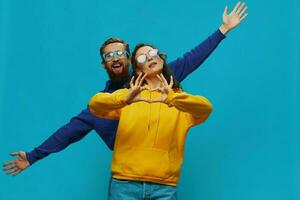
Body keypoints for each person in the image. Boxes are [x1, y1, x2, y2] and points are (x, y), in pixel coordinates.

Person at [2, 2, 248, 176]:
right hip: (127, 178)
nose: (116, 57)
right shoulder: (101, 105)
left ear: (131, 59)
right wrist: (33, 156)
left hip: (162, 176)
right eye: (110, 56)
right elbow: (68, 132)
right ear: (104, 64)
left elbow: (193, 58)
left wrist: (223, 30)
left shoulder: (159, 79)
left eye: (121, 52)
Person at [89, 43, 214, 199]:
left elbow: (206, 108)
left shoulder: (179, 100)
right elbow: (94, 104)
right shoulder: (129, 96)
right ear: (138, 69)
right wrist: (125, 99)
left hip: (165, 188)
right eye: (142, 57)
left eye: (152, 53)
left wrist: (173, 98)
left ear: (161, 59)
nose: (149, 57)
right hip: (124, 184)